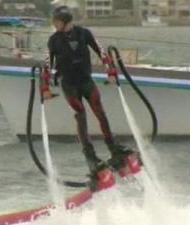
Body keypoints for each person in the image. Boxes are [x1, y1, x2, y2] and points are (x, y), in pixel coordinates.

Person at [46, 6, 133, 189]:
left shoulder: (84, 33)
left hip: (86, 81)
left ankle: (113, 146)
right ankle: (90, 156)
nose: (54, 24)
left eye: (57, 21)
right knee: (81, 114)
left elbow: (100, 52)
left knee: (100, 112)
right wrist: (45, 85)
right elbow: (48, 62)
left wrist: (110, 69)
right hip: (69, 85)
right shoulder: (53, 40)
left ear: (66, 21)